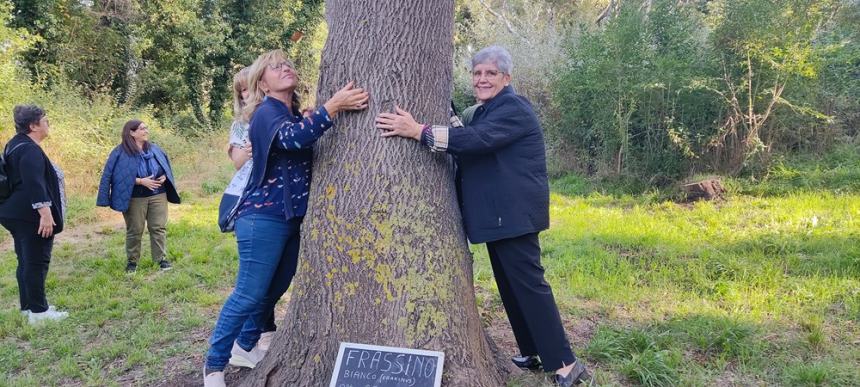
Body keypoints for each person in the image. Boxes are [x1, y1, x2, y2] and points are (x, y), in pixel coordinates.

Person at [375, 45, 592, 386]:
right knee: (511, 286)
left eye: (490, 73)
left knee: (529, 286)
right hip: (500, 216)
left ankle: (566, 364)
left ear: (506, 77)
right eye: (477, 73)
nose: (482, 79)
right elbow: (470, 134)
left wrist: (419, 131)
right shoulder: (488, 110)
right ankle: (535, 351)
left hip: (514, 214)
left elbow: (477, 140)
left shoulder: (514, 108)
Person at [203, 49, 368, 387]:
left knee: (272, 290)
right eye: (274, 68)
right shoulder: (264, 112)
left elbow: (299, 135)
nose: (284, 69)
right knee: (249, 294)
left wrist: (312, 115)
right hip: (263, 217)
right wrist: (332, 107)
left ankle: (245, 344)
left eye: (287, 64)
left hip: (293, 219)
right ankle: (213, 367)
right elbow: (293, 141)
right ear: (261, 82)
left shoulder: (290, 113)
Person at [221, 67, 278, 359]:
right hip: (256, 202)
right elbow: (239, 161)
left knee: (277, 273)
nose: (247, 94)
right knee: (257, 278)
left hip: (279, 200)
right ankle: (254, 336)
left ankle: (256, 335)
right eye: (242, 90)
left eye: (251, 87)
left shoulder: (282, 113)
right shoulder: (242, 124)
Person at [0, 105, 69, 325]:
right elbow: (34, 183)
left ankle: (28, 307)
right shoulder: (29, 149)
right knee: (37, 261)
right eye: (45, 120)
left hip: (14, 212)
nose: (48, 124)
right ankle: (39, 313)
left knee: (26, 260)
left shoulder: (15, 144)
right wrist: (45, 214)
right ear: (33, 126)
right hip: (30, 215)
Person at [96, 120, 180, 273]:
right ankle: (132, 262)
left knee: (158, 228)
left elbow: (165, 166)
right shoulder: (120, 152)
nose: (146, 131)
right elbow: (114, 175)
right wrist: (141, 181)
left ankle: (161, 259)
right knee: (135, 230)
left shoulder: (154, 149)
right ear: (131, 132)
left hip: (158, 194)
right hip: (135, 197)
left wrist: (164, 177)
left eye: (146, 128)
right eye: (142, 129)